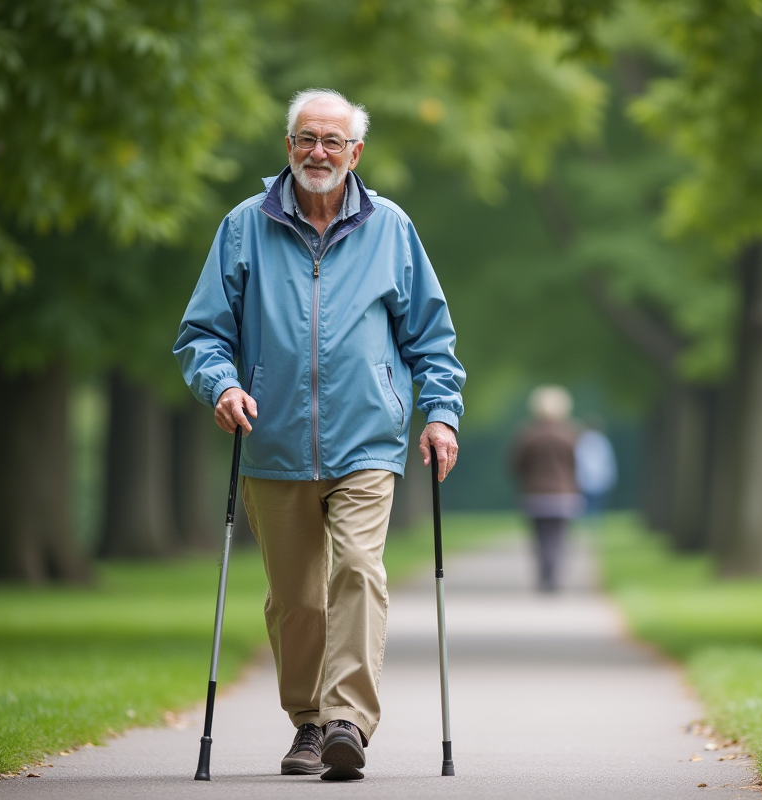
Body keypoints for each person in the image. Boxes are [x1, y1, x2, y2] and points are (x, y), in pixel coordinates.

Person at [173, 88, 464, 782]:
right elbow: (202, 333)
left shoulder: (391, 228)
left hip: (367, 440)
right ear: (288, 146)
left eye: (334, 141)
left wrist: (441, 413)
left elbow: (431, 337)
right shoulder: (244, 227)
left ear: (355, 153)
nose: (319, 152)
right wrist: (223, 386)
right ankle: (307, 719)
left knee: (358, 569)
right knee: (297, 600)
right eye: (307, 138)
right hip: (272, 441)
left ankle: (346, 722)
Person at [510, 386, 584, 592]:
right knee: (558, 536)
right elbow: (578, 464)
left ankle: (545, 573)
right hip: (563, 493)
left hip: (535, 493)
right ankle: (553, 575)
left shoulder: (527, 434)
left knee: (539, 537)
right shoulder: (571, 434)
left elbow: (517, 464)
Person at [575, 417, 617, 526]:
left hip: (586, 478)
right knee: (596, 505)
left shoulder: (582, 440)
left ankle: (586, 525)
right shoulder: (602, 441)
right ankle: (594, 524)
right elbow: (608, 460)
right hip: (599, 478)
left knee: (585, 504)